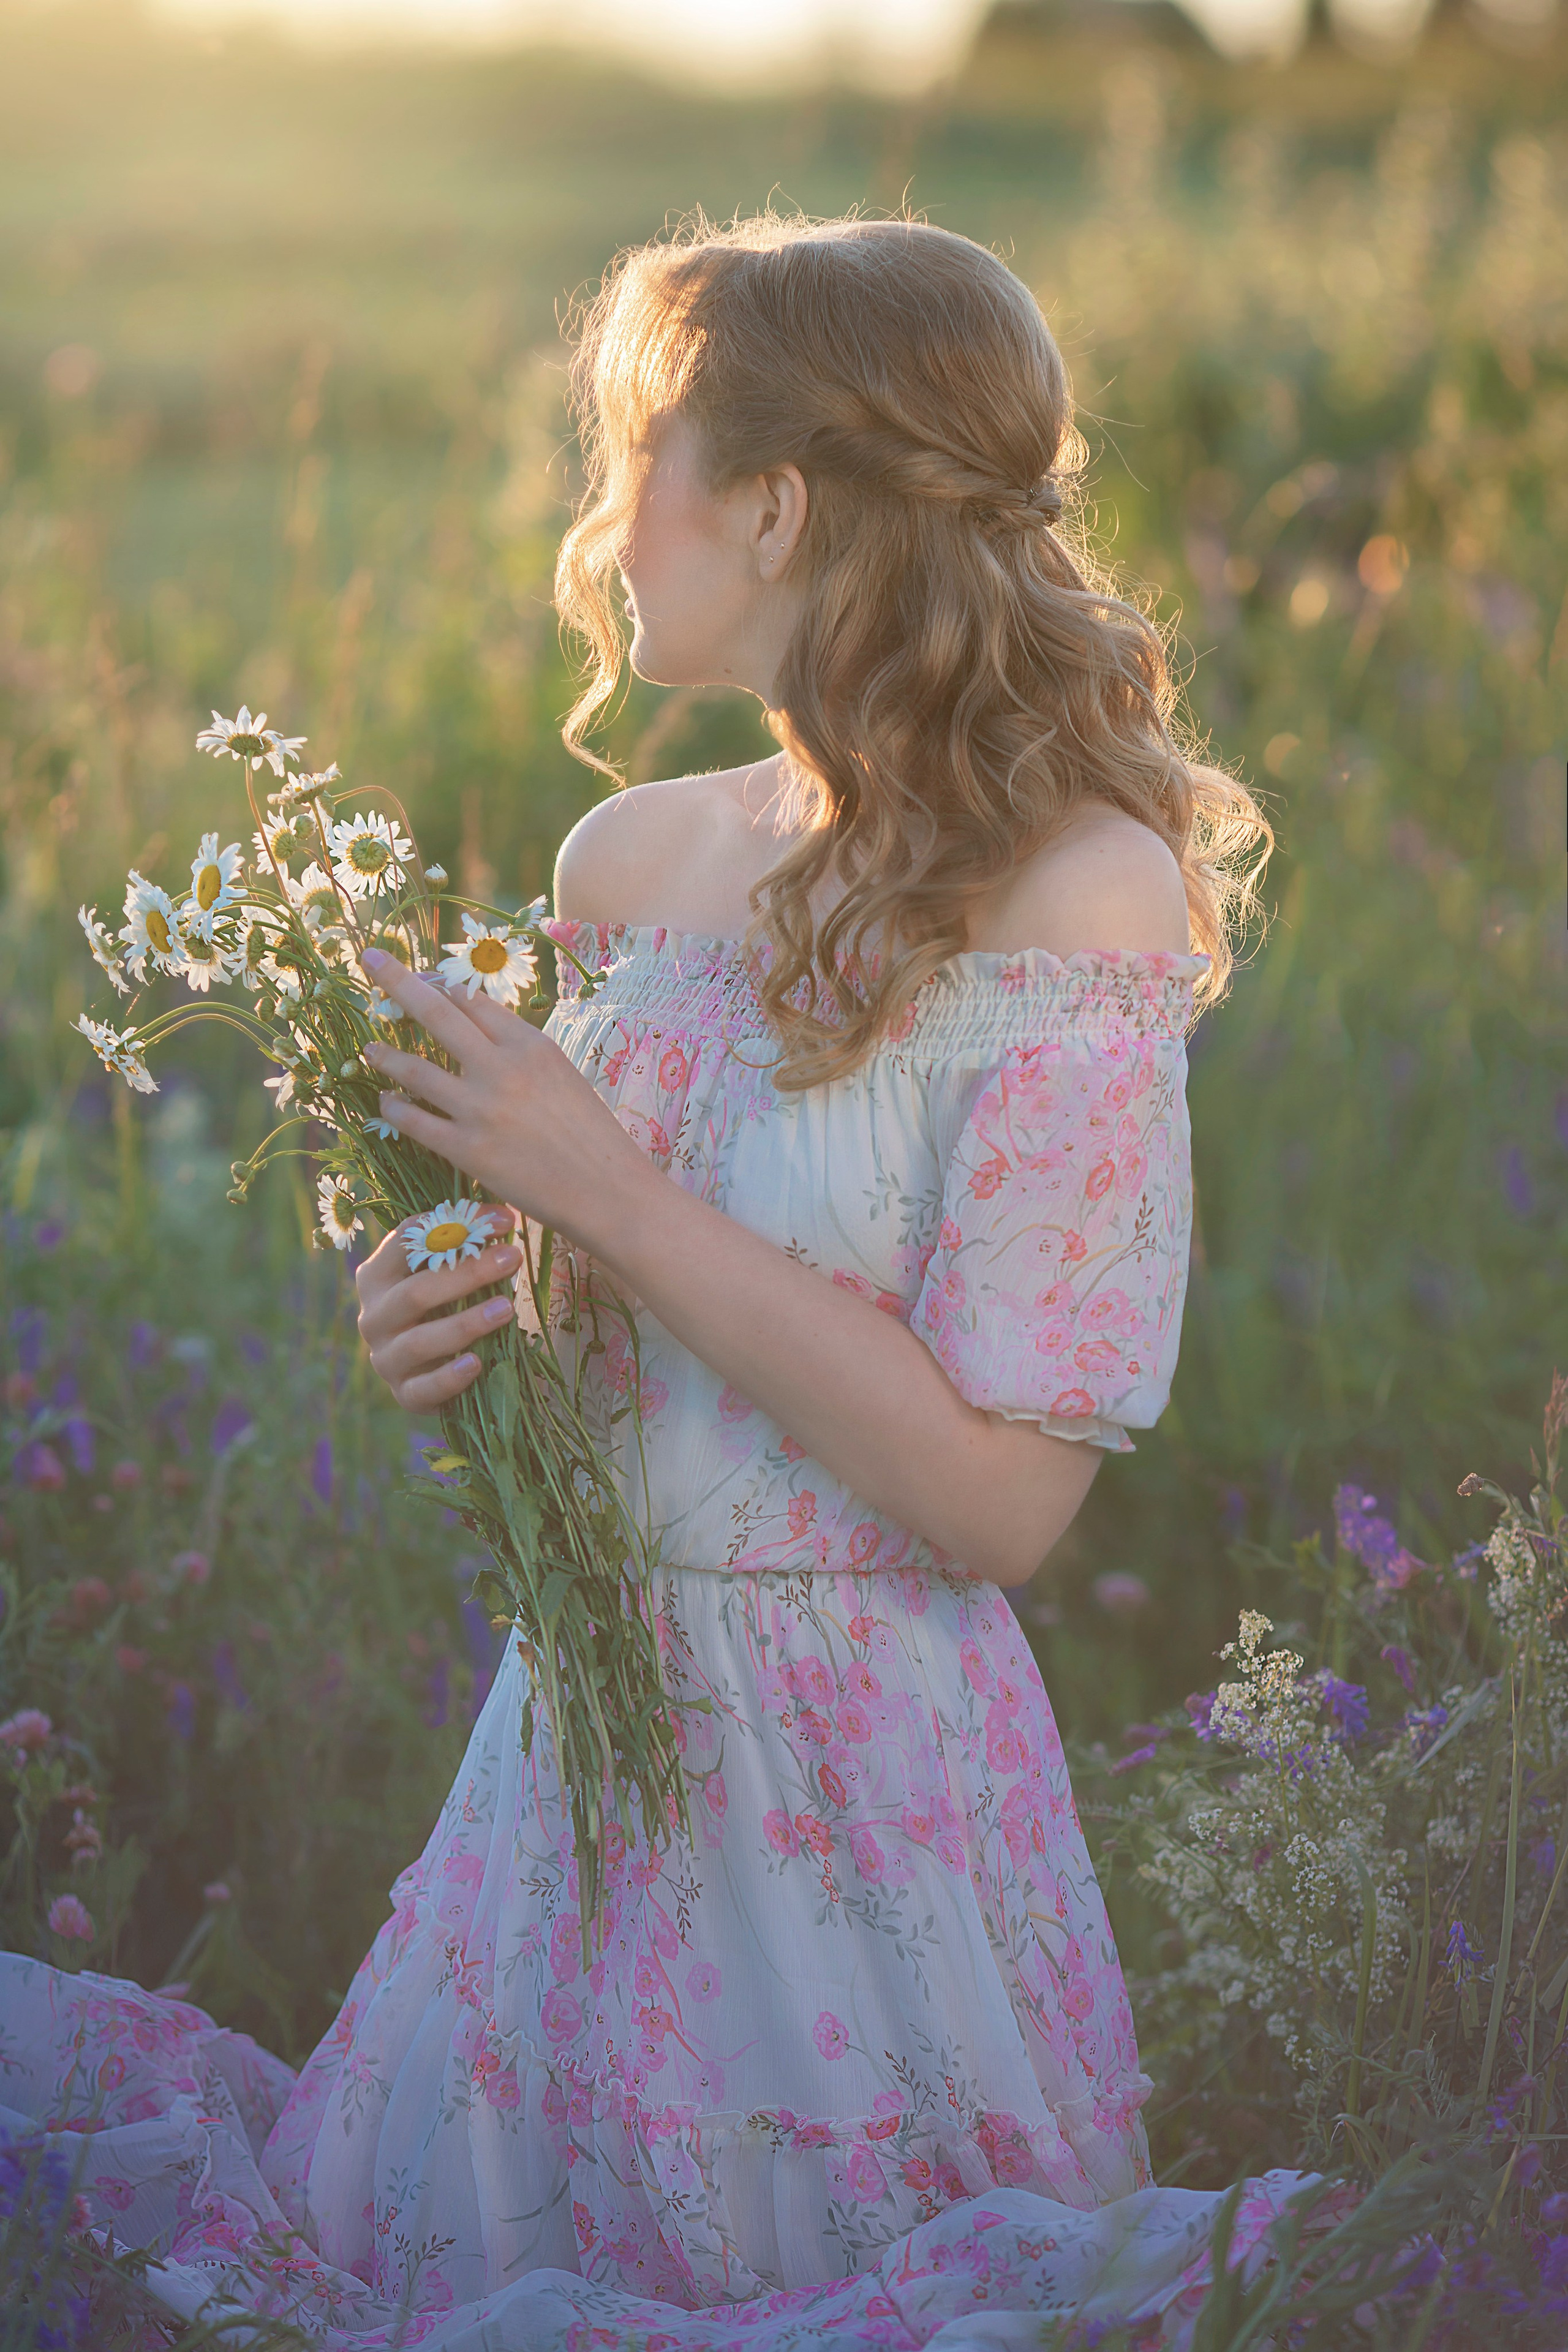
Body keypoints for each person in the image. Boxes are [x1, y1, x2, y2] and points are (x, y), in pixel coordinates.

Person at [0, 214, 1309, 2346]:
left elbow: (998, 1501)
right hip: (575, 1790)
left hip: (860, 1815)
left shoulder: (1081, 894)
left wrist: (601, 1195)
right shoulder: (630, 869)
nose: (605, 522)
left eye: (638, 456)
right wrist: (457, 1333)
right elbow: (625, 1344)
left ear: (780, 503)